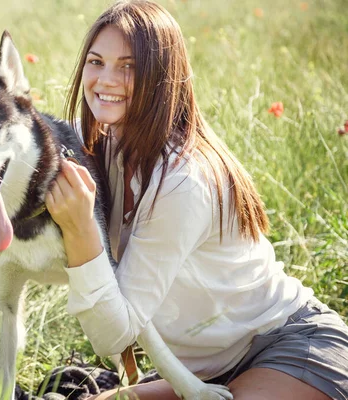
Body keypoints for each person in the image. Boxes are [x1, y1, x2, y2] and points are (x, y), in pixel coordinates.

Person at [44, 1, 348, 399]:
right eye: (96, 61)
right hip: (205, 371)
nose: (106, 79)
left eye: (129, 66)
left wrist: (80, 229)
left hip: (291, 346)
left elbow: (113, 336)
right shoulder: (106, 149)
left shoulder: (183, 180)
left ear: (161, 77)